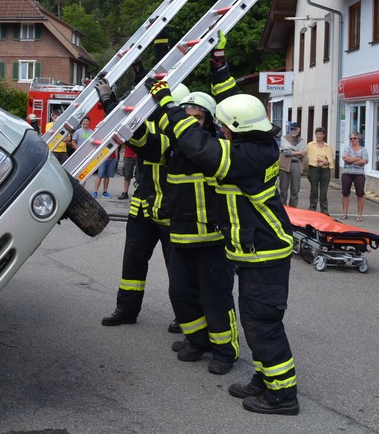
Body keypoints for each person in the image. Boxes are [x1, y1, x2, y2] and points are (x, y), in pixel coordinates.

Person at [151, 72, 299, 414]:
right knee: (254, 321)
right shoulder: (254, 146)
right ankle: (265, 380)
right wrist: (220, 67)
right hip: (255, 254)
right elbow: (226, 115)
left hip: (265, 254)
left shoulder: (247, 157)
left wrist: (168, 105)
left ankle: (282, 396)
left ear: (236, 127)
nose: (220, 130)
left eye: (223, 126)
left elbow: (198, 146)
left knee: (263, 323)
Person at [155, 88, 239, 376]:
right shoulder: (174, 147)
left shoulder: (215, 148)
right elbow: (144, 139)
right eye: (187, 117)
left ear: (210, 122)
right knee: (180, 293)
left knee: (215, 298)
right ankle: (197, 340)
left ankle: (225, 351)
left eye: (198, 118)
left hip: (212, 238)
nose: (191, 123)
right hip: (180, 234)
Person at [101, 83, 188, 333]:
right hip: (143, 209)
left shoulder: (180, 134)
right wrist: (113, 101)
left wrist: (108, 104)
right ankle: (127, 309)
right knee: (132, 266)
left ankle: (185, 316)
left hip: (172, 212)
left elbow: (141, 140)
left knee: (179, 270)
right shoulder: (153, 122)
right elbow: (130, 124)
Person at [306, 127, 335, 214]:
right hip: (314, 169)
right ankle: (312, 208)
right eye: (317, 134)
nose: (319, 136)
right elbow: (309, 156)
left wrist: (325, 162)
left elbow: (330, 158)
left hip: (325, 170)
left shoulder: (327, 146)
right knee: (314, 190)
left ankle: (324, 209)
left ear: (324, 135)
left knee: (324, 191)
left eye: (321, 134)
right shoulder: (310, 145)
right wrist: (321, 160)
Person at [341, 132, 369, 221]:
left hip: (359, 174)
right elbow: (345, 159)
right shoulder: (347, 148)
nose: (353, 140)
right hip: (347, 173)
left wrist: (351, 160)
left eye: (354, 138)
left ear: (359, 139)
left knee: (360, 194)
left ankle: (360, 215)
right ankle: (344, 213)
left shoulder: (363, 150)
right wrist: (358, 158)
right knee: (345, 193)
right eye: (351, 138)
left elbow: (364, 161)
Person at [277, 122, 306, 206]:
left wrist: (294, 151)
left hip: (296, 164)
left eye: (295, 129)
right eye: (292, 129)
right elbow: (286, 152)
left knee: (295, 189)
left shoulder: (302, 140)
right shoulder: (284, 138)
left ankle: (293, 208)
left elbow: (302, 153)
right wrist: (298, 152)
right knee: (283, 189)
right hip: (284, 165)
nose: (293, 131)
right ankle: (283, 207)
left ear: (299, 130)